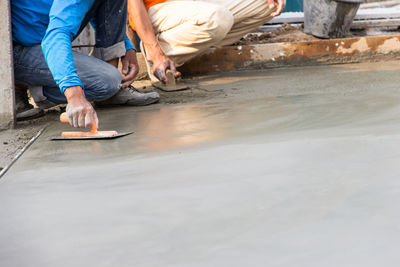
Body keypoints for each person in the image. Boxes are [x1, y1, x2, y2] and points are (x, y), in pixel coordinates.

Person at [11, 0, 160, 128]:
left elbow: (97, 9)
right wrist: (74, 95)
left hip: (45, 38)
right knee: (107, 81)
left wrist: (126, 47)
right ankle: (37, 89)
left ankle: (112, 94)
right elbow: (55, 36)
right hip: (20, 52)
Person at [128, 0, 286, 83]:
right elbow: (131, 4)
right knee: (217, 18)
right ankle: (158, 55)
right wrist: (154, 49)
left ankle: (195, 44)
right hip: (156, 8)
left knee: (267, 5)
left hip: (194, 4)